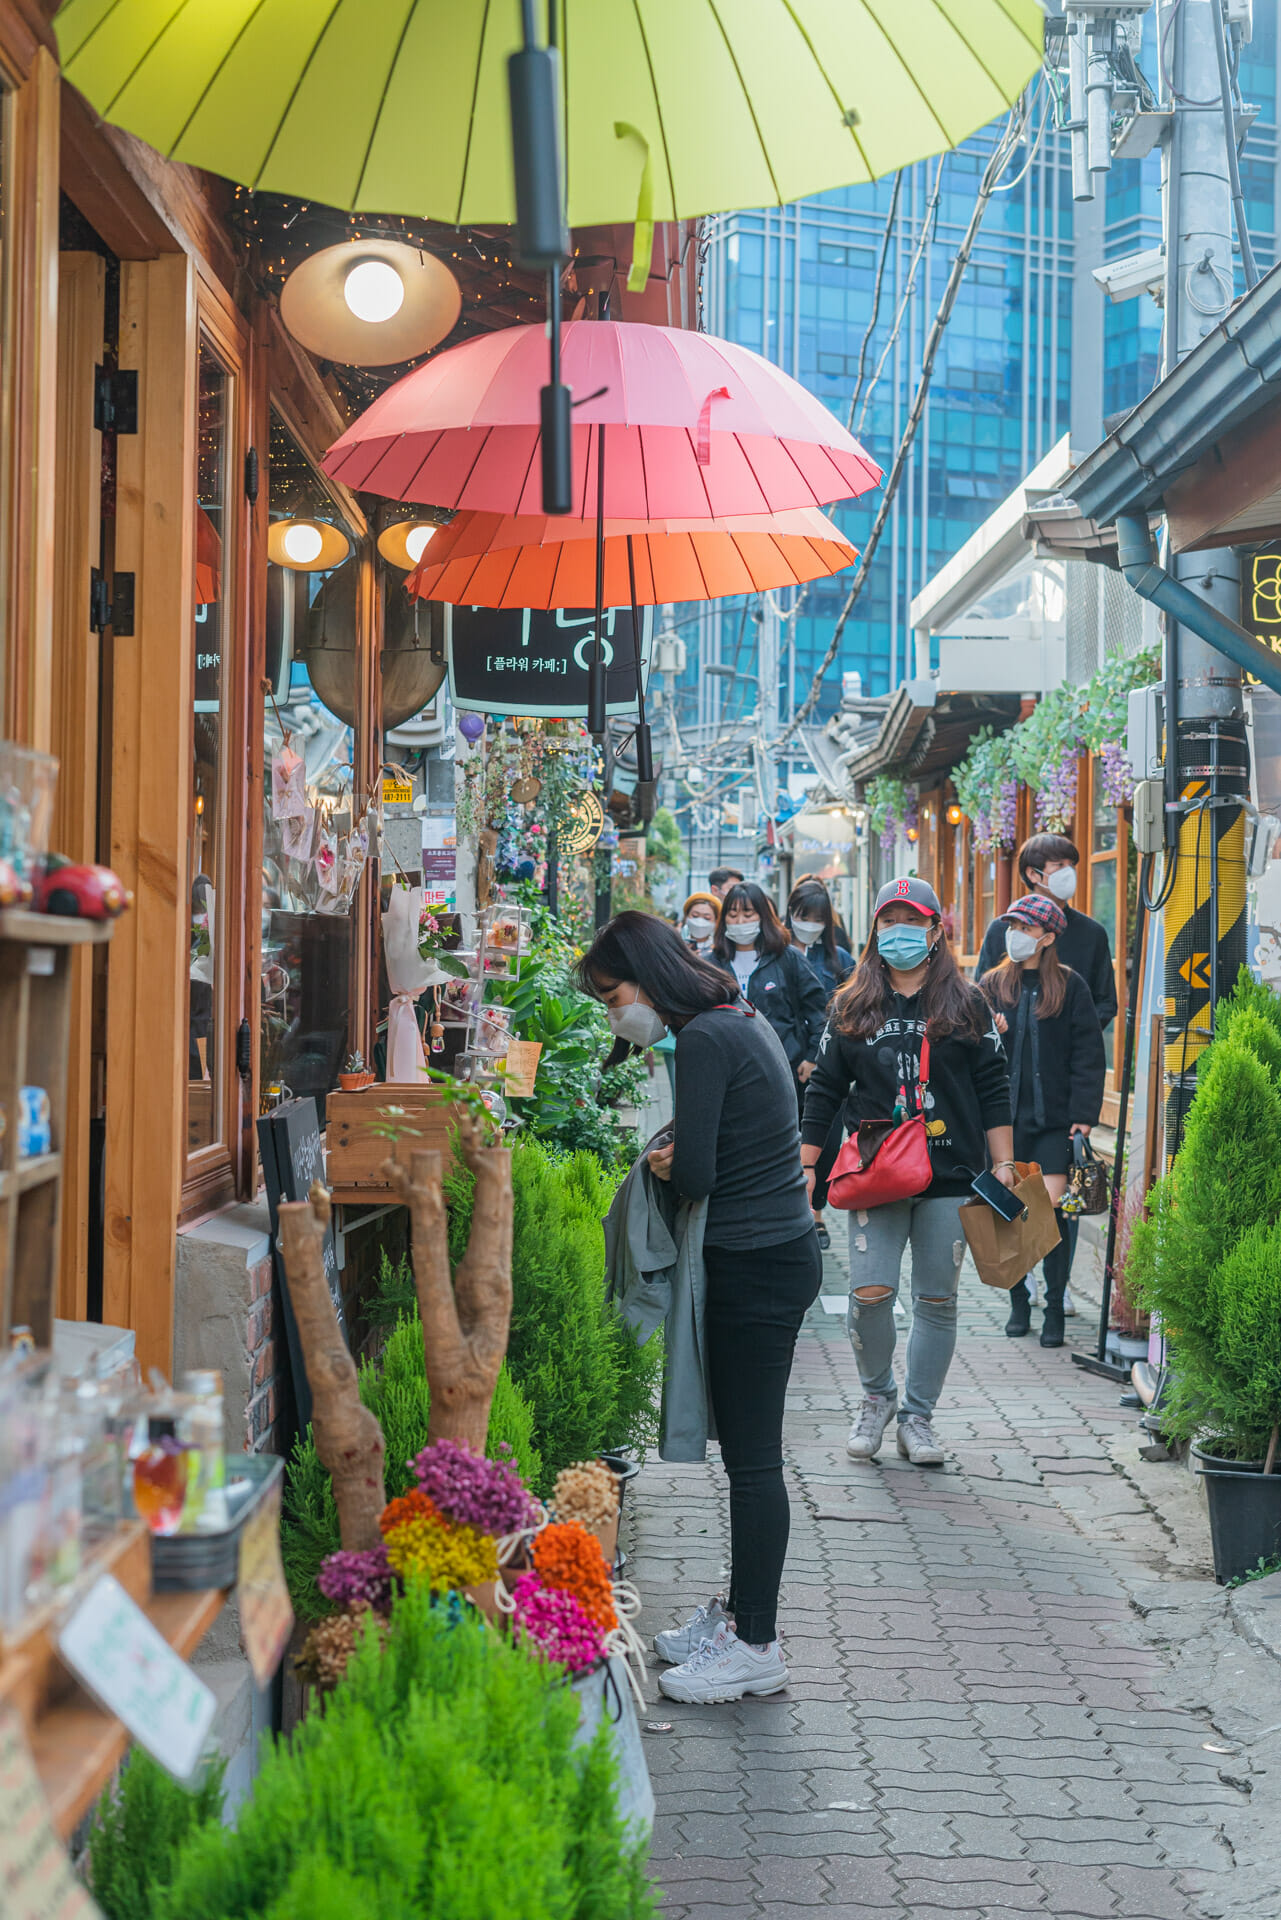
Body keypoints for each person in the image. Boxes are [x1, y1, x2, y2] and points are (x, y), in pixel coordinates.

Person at [577, 911, 821, 1705]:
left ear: (649, 978)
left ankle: (756, 1643)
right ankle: (740, 1615)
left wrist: (664, 1164)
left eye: (615, 996)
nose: (618, 1015)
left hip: (756, 1265)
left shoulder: (710, 1037)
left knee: (752, 1463)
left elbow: (700, 1175)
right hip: (767, 1258)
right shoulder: (729, 1020)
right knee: (746, 1460)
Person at [801, 877, 1014, 1466]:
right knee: (870, 1293)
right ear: (874, 928)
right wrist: (806, 1170)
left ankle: (917, 1417)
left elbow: (994, 1087)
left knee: (937, 1299)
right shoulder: (851, 1003)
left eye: (911, 920)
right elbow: (823, 1090)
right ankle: (877, 1399)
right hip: (875, 1172)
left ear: (935, 930)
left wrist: (1004, 1164)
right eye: (888, 919)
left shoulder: (966, 1002)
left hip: (952, 1174)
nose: (900, 931)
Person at [976, 832, 1116, 1319]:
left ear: (1048, 935)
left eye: (1026, 926)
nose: (1016, 932)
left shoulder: (1072, 981)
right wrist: (986, 1029)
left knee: (1054, 1213)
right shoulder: (994, 980)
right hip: (1004, 1116)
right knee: (1009, 1212)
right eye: (1013, 925)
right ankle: (1020, 1302)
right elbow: (968, 1029)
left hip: (1053, 1114)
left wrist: (1083, 1114)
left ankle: (1055, 1305)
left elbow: (1088, 1052)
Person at [713, 883, 829, 1238]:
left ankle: (792, 1220)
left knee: (785, 1149)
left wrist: (811, 1057)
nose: (740, 920)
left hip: (785, 1074)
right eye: (733, 914)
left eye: (748, 913)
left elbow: (819, 1011)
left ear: (763, 916)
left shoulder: (787, 958)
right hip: (729, 1077)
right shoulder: (712, 964)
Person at [786, 878, 854, 1001]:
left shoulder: (841, 957)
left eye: (818, 920)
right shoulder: (776, 955)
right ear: (791, 912)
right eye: (804, 919)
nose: (811, 926)